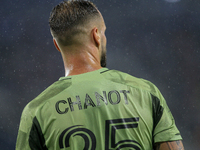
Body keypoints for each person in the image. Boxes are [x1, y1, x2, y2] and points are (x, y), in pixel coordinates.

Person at [16, 0, 185, 150]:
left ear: (57, 45)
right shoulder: (146, 93)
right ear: (96, 35)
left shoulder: (37, 111)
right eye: (104, 32)